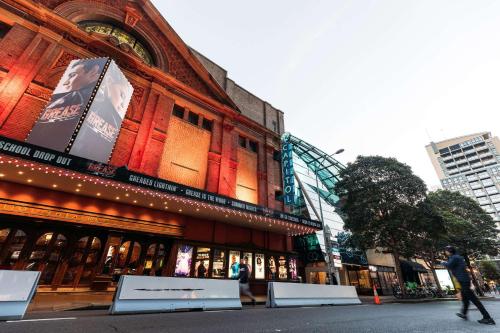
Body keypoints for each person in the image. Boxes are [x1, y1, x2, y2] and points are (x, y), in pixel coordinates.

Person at [443, 246, 495, 325]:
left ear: (449, 251)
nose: (445, 252)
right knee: (465, 299)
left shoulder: (454, 257)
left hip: (464, 281)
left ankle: (487, 317)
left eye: (446, 251)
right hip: (463, 281)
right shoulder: (456, 257)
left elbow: (449, 265)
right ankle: (464, 314)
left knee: (475, 300)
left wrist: (442, 262)